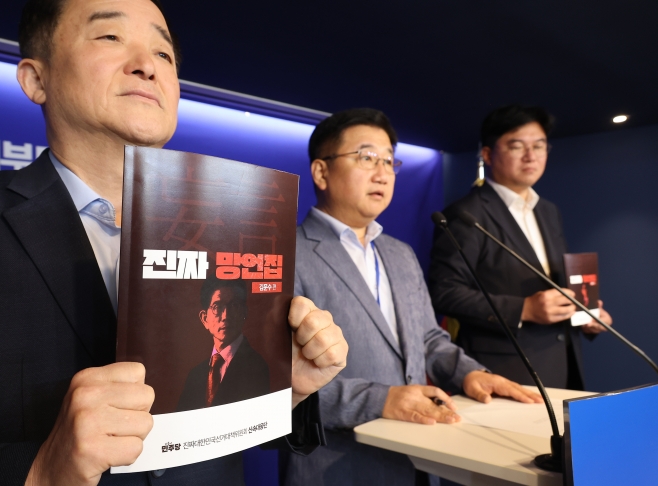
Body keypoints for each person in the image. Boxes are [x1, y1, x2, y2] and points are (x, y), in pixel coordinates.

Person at [0, 0, 349, 484]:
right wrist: (41, 470)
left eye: (164, 54)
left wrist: (283, 390)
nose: (147, 65)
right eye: (110, 36)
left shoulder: (228, 230)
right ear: (36, 79)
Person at [280, 108, 542, 486]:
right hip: (336, 465)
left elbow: (428, 338)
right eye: (366, 157)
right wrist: (382, 400)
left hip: (419, 455)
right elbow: (276, 381)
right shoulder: (285, 254)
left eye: (389, 160)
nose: (382, 173)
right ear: (321, 172)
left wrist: (470, 374)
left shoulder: (400, 253)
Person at [428, 104, 612, 390]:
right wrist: (523, 309)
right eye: (517, 146)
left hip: (564, 364)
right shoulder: (465, 214)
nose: (531, 156)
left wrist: (584, 312)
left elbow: (553, 283)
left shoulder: (548, 210)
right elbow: (444, 293)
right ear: (488, 154)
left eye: (539, 146)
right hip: (505, 371)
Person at [176, 278, 270, 411]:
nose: (225, 316)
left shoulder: (257, 367)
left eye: (234, 306)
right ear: (205, 319)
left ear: (244, 313)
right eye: (217, 307)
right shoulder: (195, 375)